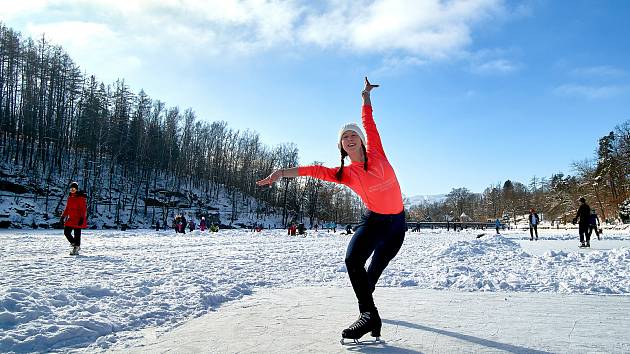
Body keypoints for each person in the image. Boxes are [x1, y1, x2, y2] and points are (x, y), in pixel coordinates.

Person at [257, 77, 405, 343]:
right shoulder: (344, 174)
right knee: (352, 260)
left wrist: (365, 96)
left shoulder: (378, 152)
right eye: (344, 137)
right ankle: (368, 314)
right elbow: (312, 171)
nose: (349, 138)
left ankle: (372, 315)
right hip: (373, 221)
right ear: (342, 147)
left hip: (397, 226)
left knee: (373, 273)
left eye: (353, 135)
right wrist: (281, 173)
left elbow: (369, 121)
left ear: (361, 141)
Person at [61, 182, 88, 255]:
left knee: (77, 234)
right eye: (71, 188)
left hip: (79, 218)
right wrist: (63, 216)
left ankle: (76, 248)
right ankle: (74, 244)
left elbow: (83, 209)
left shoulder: (81, 198)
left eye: (74, 188)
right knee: (66, 232)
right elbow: (67, 208)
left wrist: (82, 218)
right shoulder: (70, 198)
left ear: (76, 189)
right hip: (71, 218)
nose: (72, 190)